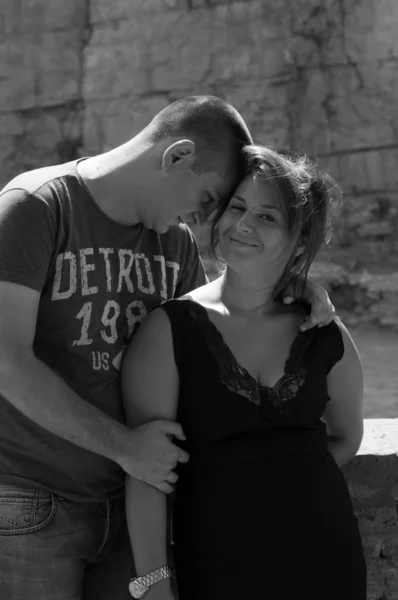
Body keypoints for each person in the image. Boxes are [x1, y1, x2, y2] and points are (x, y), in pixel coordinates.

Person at [0, 96, 334, 599]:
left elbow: (203, 340)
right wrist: (126, 448)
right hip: (33, 504)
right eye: (207, 199)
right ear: (176, 156)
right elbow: (7, 362)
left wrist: (293, 287)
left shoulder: (172, 243)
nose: (204, 222)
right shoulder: (36, 205)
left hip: (131, 504)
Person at [122, 145, 367, 600]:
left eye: (268, 217)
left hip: (327, 558)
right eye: (238, 207)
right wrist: (152, 585)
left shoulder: (323, 331)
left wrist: (276, 483)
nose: (244, 224)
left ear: (299, 239)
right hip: (218, 565)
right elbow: (144, 473)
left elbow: (348, 436)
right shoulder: (169, 329)